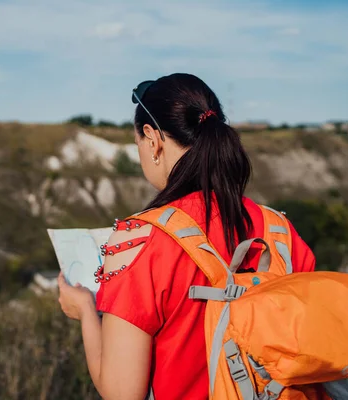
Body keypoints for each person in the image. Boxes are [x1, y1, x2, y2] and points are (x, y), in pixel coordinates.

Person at [57, 73, 316, 400]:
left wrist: (83, 311)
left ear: (153, 140)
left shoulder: (139, 240)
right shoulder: (280, 230)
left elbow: (123, 392)